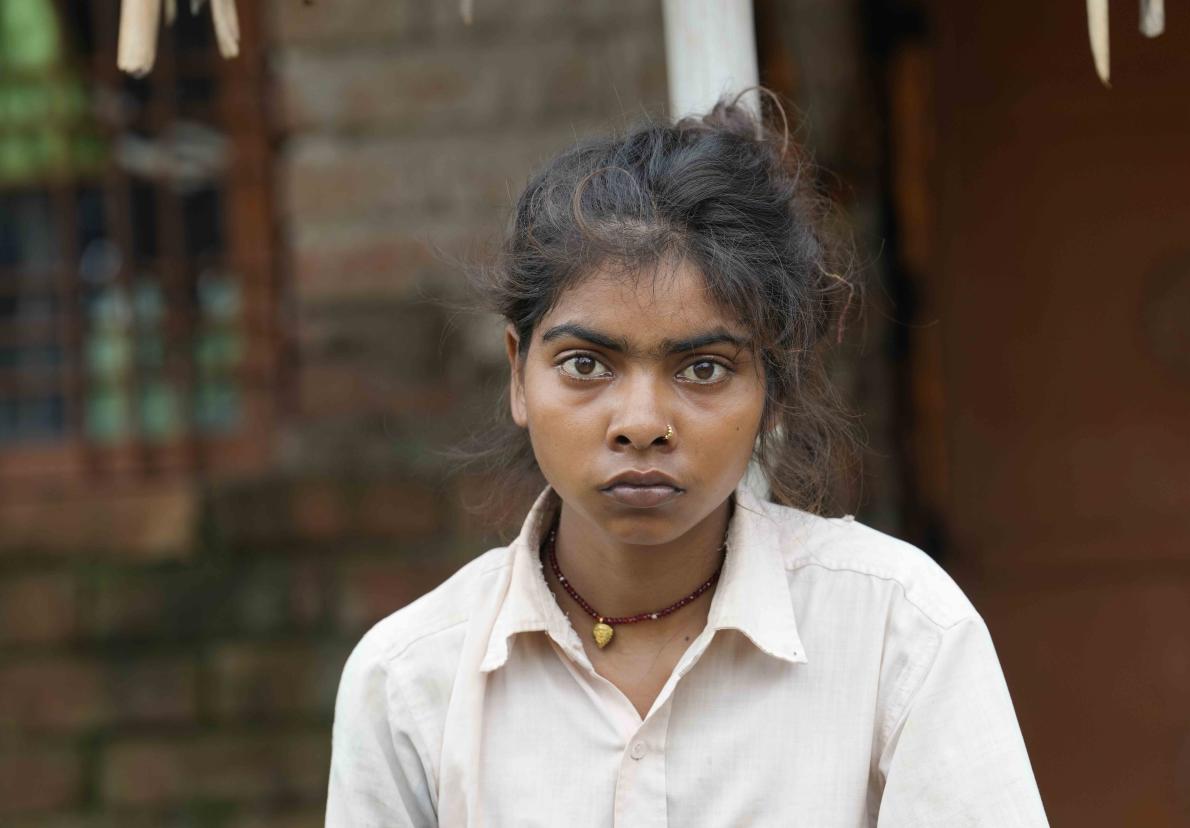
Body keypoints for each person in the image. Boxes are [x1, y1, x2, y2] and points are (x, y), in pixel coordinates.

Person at [325, 98, 1049, 827]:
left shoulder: (898, 631)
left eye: (703, 369)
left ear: (774, 387)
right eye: (585, 364)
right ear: (519, 376)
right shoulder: (410, 681)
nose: (642, 424)